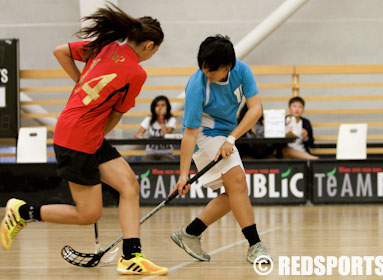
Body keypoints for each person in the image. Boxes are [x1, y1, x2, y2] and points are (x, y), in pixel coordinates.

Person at [0, 3, 168, 276]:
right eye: (156, 49)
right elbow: (115, 114)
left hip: (80, 132)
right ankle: (22, 212)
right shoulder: (137, 73)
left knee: (129, 185)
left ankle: (131, 256)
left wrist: (79, 83)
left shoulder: (105, 46)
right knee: (88, 214)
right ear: (149, 45)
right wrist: (99, 131)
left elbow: (60, 51)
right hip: (79, 139)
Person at [169, 35, 269, 264]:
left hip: (226, 134)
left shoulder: (242, 71)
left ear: (228, 66)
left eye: (212, 70)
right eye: (203, 67)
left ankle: (190, 233)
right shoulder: (197, 85)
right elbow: (190, 133)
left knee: (234, 192)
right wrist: (183, 174)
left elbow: (255, 109)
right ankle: (255, 246)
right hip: (204, 134)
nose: (207, 73)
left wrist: (231, 139)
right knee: (238, 183)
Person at [135, 95, 177, 160]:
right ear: (154, 107)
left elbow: (165, 136)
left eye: (163, 105)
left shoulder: (171, 119)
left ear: (167, 107)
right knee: (146, 163)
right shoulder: (148, 119)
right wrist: (142, 136)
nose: (160, 108)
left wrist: (161, 118)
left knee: (166, 161)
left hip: (166, 153)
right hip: (150, 153)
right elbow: (138, 134)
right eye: (157, 105)